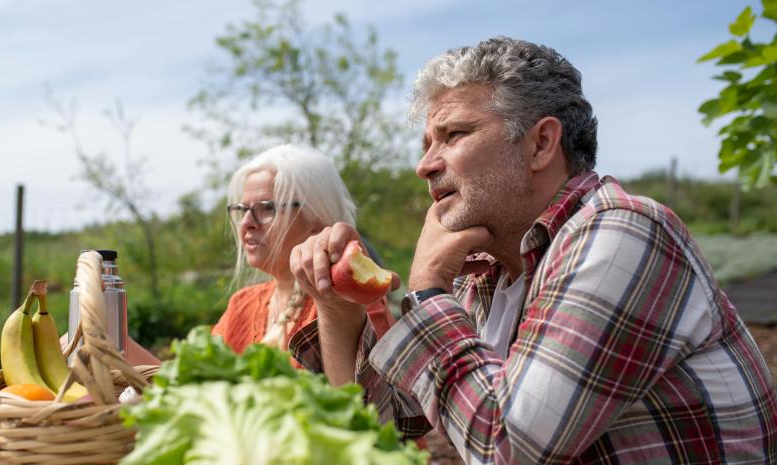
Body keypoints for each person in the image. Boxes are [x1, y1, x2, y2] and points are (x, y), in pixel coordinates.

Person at [289, 37, 777, 464]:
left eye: (454, 134)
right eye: (426, 144)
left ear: (541, 144)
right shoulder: (486, 277)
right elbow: (384, 429)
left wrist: (428, 290)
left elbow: (512, 447)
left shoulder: (621, 233)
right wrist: (336, 308)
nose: (425, 165)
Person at [212, 144, 395, 362]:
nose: (247, 223)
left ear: (315, 222)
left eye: (267, 208)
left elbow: (370, 392)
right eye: (241, 210)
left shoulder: (349, 301)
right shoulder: (241, 306)